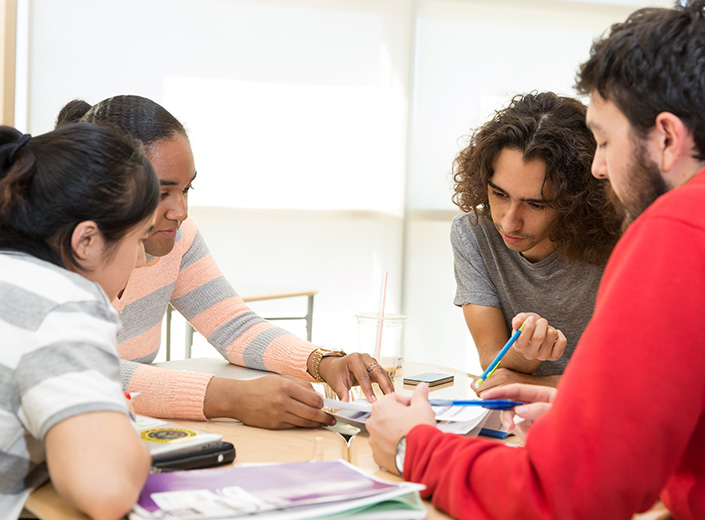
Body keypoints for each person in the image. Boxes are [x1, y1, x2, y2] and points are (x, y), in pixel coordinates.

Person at [367, 1, 705, 518]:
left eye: (606, 141)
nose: (598, 168)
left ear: (666, 137)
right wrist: (590, 417)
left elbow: (571, 493)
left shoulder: (674, 228)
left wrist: (415, 445)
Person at [55, 95, 394, 430]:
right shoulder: (57, 255)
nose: (181, 212)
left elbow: (231, 324)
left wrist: (323, 362)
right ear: (103, 188)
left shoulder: (176, 236)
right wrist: (232, 398)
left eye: (187, 189)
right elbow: (85, 369)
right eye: (162, 193)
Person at [0, 123, 159, 519]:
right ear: (86, 241)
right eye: (139, 239)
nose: (141, 260)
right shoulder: (60, 301)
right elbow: (105, 488)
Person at [451, 92, 622, 392]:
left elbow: (635, 378)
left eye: (536, 204)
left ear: (576, 202)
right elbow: (493, 362)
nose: (509, 221)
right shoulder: (474, 234)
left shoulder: (620, 243)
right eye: (499, 194)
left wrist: (538, 384)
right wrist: (528, 352)